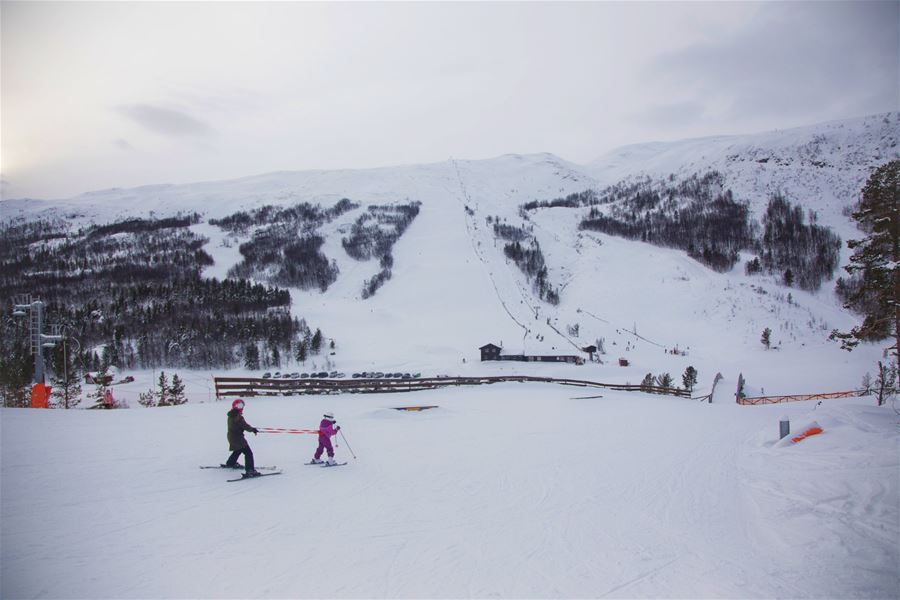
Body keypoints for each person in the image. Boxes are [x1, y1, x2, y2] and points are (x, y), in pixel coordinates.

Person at [224, 399, 260, 476]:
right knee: (248, 453)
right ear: (234, 406)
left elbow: (240, 426)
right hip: (237, 438)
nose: (240, 407)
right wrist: (252, 429)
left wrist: (251, 429)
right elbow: (245, 426)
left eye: (242, 405)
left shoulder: (231, 415)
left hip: (232, 437)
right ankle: (250, 470)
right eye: (239, 405)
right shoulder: (237, 417)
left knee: (238, 450)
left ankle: (231, 463)